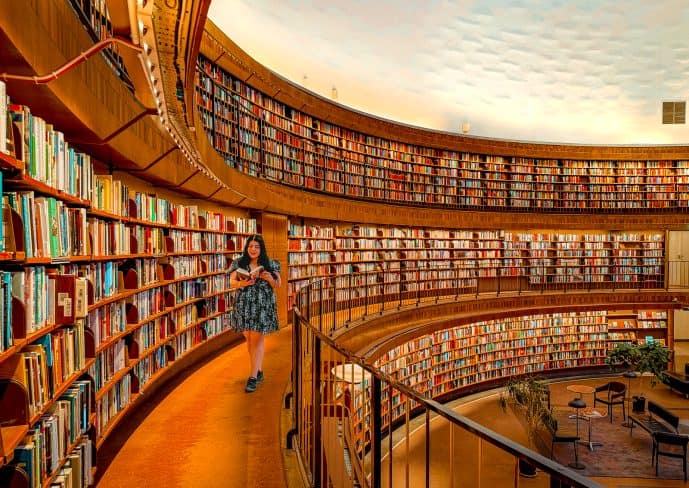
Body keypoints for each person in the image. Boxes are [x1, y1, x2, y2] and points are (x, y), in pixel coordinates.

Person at [229, 235, 281, 393]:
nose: (253, 249)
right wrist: (242, 283)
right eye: (250, 246)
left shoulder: (270, 264)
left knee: (257, 340)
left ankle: (252, 377)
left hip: (261, 305)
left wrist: (269, 278)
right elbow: (232, 282)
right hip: (243, 304)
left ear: (261, 248)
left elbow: (277, 285)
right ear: (246, 247)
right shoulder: (239, 263)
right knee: (250, 339)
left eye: (256, 246)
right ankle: (258, 370)